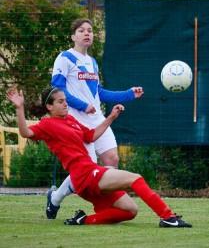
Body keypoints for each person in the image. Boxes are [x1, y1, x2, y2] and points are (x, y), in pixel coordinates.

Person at [7, 87, 192, 228]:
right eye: (60, 101)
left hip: (87, 177)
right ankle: (168, 218)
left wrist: (111, 117)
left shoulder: (70, 120)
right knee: (134, 178)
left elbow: (91, 135)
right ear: (49, 106)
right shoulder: (46, 124)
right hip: (85, 174)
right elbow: (25, 132)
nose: (65, 104)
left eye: (65, 101)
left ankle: (82, 220)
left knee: (130, 211)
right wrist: (19, 108)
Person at [49, 18, 144, 219]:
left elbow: (98, 93)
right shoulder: (65, 58)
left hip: (98, 121)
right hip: (77, 123)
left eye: (90, 30)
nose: (87, 33)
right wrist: (82, 105)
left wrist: (128, 94)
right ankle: (55, 198)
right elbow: (58, 89)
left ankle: (108, 205)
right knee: (86, 171)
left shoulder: (92, 62)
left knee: (112, 159)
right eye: (82, 30)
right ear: (73, 36)